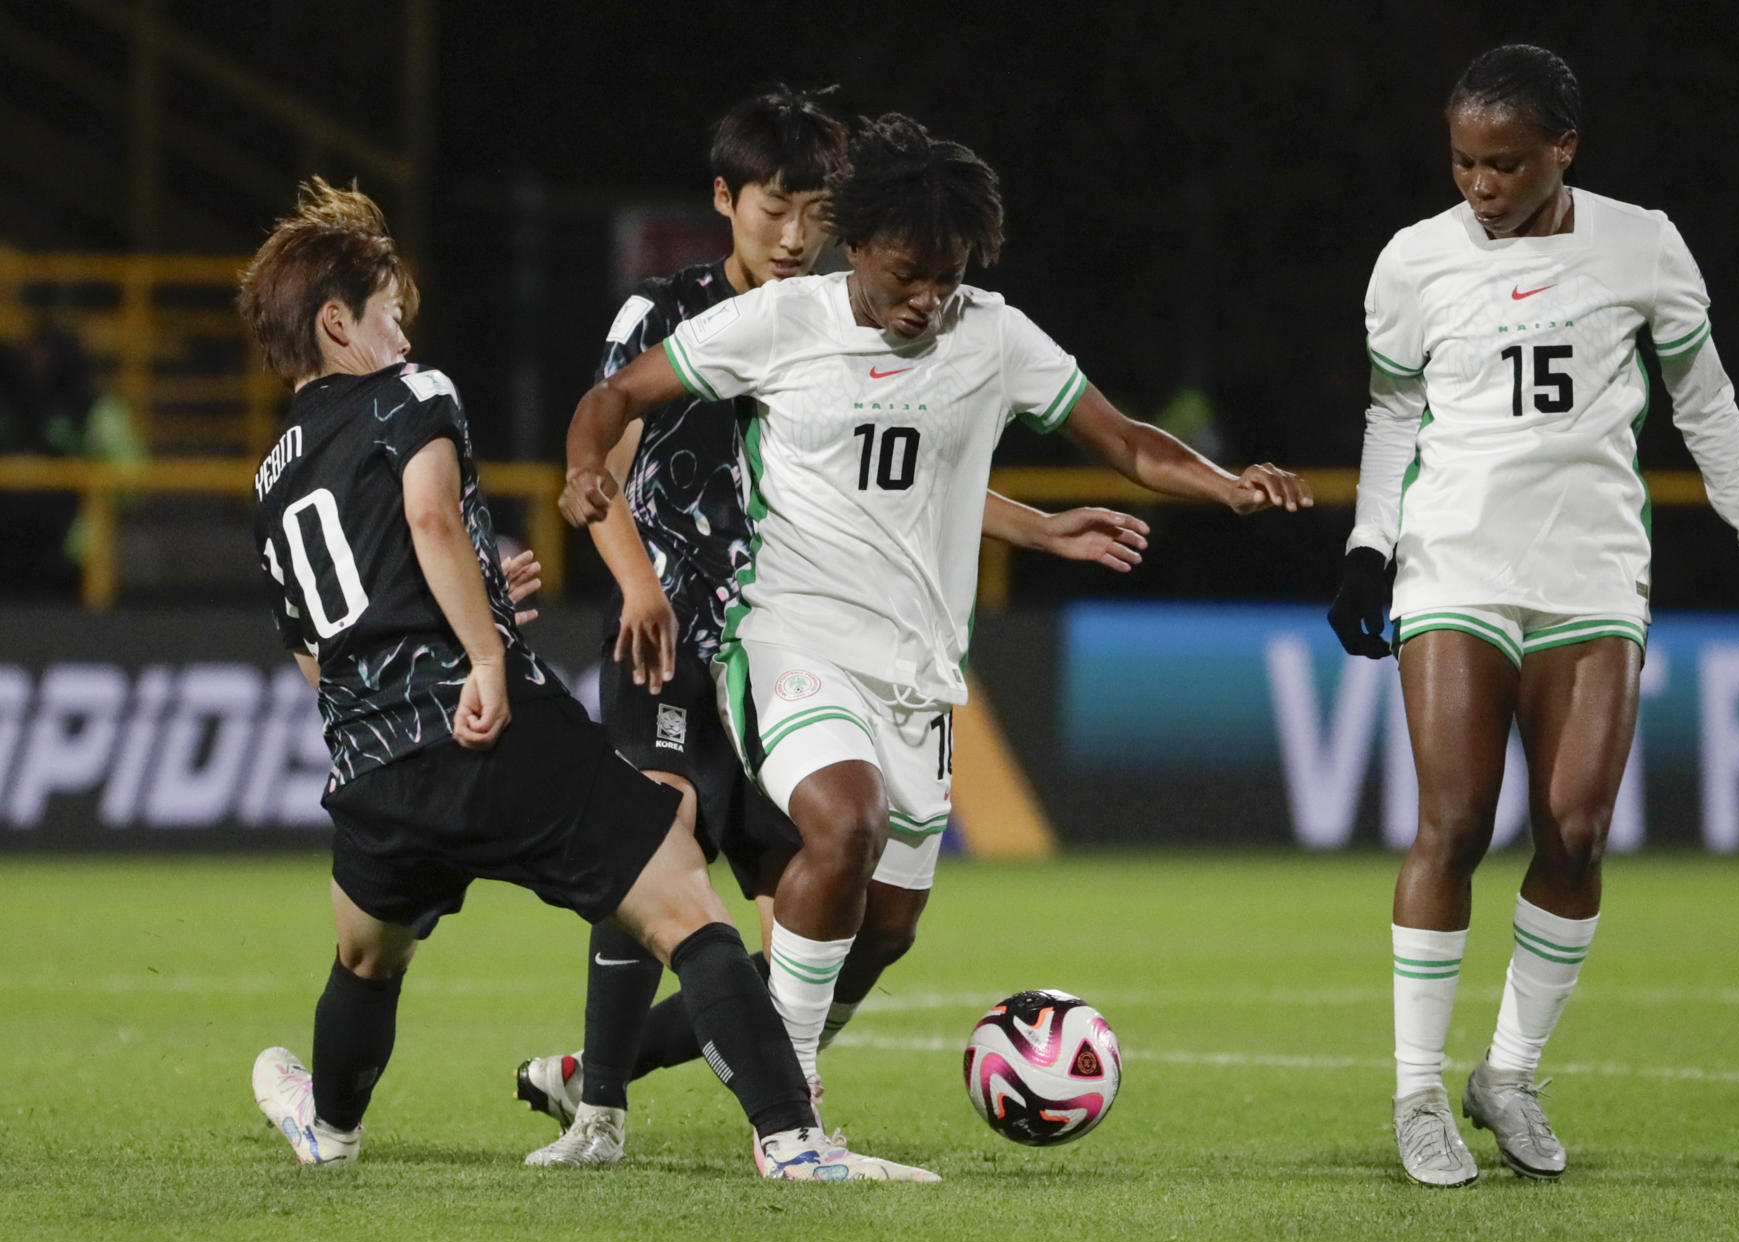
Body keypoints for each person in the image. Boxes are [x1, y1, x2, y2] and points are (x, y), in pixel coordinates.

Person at [558, 112, 1312, 1138]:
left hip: (918, 665)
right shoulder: (783, 322)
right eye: (908, 274)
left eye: (947, 275)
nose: (927, 298)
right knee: (844, 819)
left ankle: (607, 1065)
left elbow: (1125, 439)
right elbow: (615, 396)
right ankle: (791, 1117)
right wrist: (584, 464)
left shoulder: (992, 334)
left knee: (883, 930)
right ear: (857, 243)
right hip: (789, 633)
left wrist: (1227, 487)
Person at [239, 177, 935, 1181]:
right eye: (390, 309)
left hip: (373, 767)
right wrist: (482, 651)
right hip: (487, 724)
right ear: (340, 322)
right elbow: (430, 514)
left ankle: (332, 1130)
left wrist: (471, 595)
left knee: (365, 958)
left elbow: (322, 648)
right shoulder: (411, 392)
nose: (402, 328)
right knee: (687, 902)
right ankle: (793, 1140)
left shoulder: (268, 486)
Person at [1326, 44, 1739, 1187]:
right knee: (1453, 820)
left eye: (1505, 162)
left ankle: (1508, 1072)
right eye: (1462, 160)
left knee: (1577, 827)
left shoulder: (1641, 243)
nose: (1480, 185)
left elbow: (1706, 403)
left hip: (1594, 569)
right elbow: (1391, 415)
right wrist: (1368, 548)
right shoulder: (1413, 262)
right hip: (1454, 561)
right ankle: (1415, 1093)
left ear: (1564, 149)